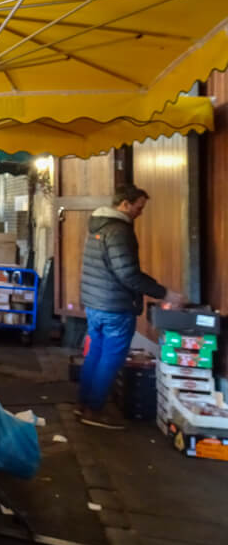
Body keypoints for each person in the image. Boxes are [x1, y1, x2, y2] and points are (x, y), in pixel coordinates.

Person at [79, 184, 183, 430]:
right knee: (110, 358)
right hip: (115, 305)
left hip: (95, 302)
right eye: (138, 207)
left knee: (95, 352)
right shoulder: (119, 231)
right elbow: (128, 274)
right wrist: (165, 293)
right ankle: (93, 410)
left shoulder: (98, 224)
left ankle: (83, 405)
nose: (140, 213)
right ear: (124, 204)